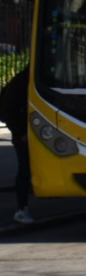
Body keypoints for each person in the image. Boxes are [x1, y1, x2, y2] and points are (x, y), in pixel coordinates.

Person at [0, 65, 33, 224]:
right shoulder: (22, 80)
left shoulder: (29, 78)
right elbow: (7, 110)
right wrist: (20, 134)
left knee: (28, 169)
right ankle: (21, 209)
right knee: (25, 168)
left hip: (31, 133)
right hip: (24, 135)